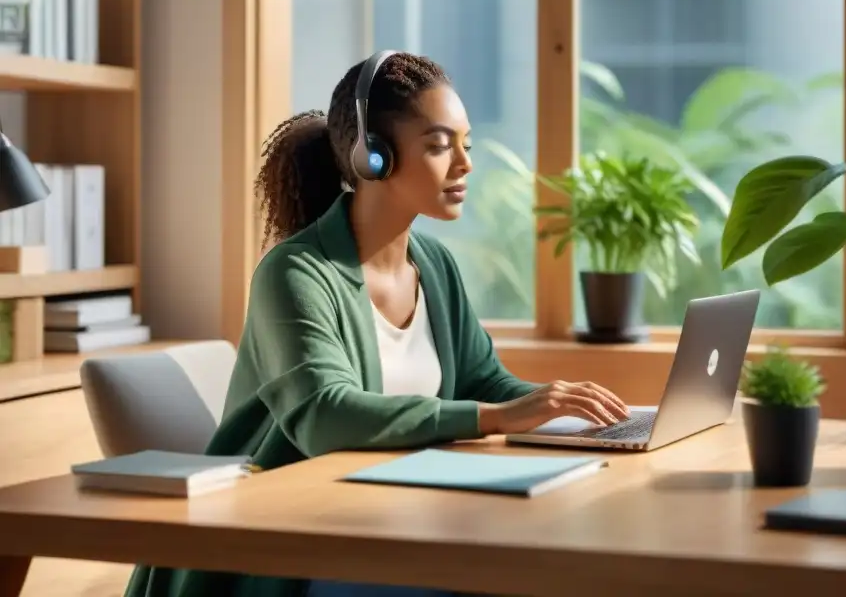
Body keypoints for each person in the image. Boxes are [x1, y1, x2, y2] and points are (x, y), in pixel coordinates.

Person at [124, 52, 629, 597]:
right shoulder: (295, 273)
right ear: (373, 157)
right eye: (438, 145)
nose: (464, 164)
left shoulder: (434, 265)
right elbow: (324, 416)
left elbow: (484, 383)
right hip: (287, 543)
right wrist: (497, 416)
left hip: (396, 517)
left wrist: (572, 412)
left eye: (466, 144)